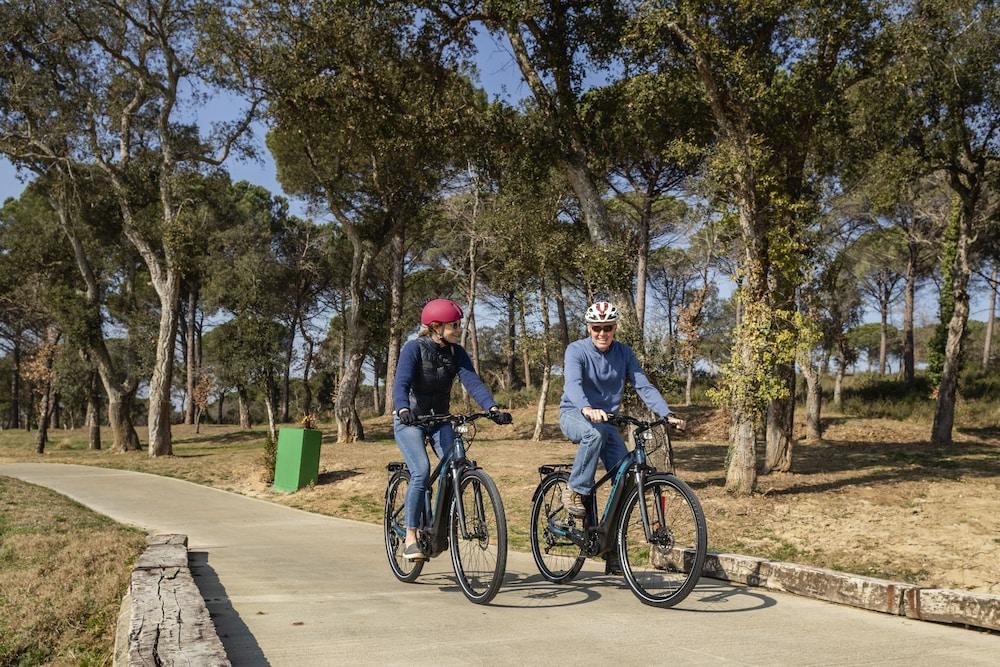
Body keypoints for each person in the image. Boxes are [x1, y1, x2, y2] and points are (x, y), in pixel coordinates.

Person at [392, 298, 512, 560]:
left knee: (458, 463)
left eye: (458, 324)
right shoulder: (413, 349)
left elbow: (472, 381)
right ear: (435, 327)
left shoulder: (456, 353)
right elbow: (400, 384)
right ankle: (411, 537)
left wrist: (492, 408)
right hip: (410, 419)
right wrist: (403, 409)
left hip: (439, 419)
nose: (459, 329)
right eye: (454, 325)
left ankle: (440, 528)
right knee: (421, 472)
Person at [559, 301, 684, 519]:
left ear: (615, 328)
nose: (602, 333)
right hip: (575, 413)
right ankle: (574, 490)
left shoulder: (624, 353)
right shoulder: (576, 350)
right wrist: (587, 408)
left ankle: (610, 543)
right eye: (596, 328)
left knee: (625, 476)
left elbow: (643, 386)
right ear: (589, 328)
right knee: (593, 433)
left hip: (605, 422)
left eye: (608, 327)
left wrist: (667, 414)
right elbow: (573, 384)